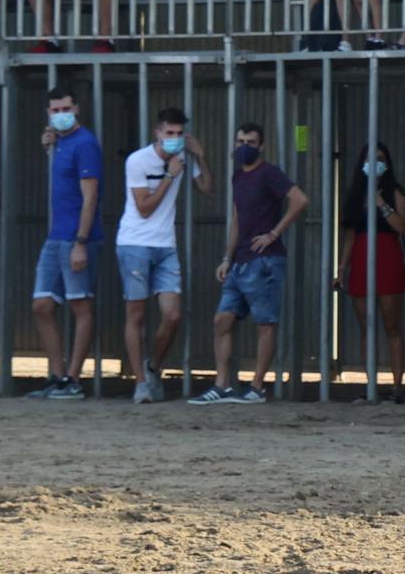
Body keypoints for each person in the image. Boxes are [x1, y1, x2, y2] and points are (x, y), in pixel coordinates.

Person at [194, 124, 307, 404]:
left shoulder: (269, 173)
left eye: (251, 141)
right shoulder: (237, 177)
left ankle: (257, 386)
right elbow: (237, 220)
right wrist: (226, 258)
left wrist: (274, 233)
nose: (245, 146)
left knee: (264, 323)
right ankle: (222, 384)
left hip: (265, 260)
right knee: (222, 319)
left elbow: (300, 200)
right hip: (240, 261)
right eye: (241, 140)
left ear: (262, 145)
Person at [114, 108, 211, 404]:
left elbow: (207, 188)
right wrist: (169, 176)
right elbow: (144, 208)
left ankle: (152, 366)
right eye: (169, 133)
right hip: (134, 243)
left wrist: (201, 157)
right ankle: (141, 383)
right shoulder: (138, 160)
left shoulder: (185, 158)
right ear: (157, 133)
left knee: (172, 314)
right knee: (137, 313)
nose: (174, 139)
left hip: (166, 245)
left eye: (179, 134)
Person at [26, 88, 101, 400]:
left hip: (75, 237)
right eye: (55, 109)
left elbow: (90, 196)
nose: (60, 114)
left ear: (77, 108)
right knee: (41, 305)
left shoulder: (85, 143)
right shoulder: (58, 143)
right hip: (55, 235)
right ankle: (57, 375)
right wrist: (48, 149)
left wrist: (80, 242)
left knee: (79, 305)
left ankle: (73, 378)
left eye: (65, 108)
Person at [338, 142, 405, 403]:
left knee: (392, 326)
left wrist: (381, 203)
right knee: (366, 327)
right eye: (370, 158)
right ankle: (370, 386)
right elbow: (348, 236)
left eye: (381, 158)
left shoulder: (396, 191)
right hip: (360, 257)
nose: (375, 163)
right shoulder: (355, 194)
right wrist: (342, 268)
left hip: (388, 256)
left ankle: (397, 387)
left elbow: (403, 227)